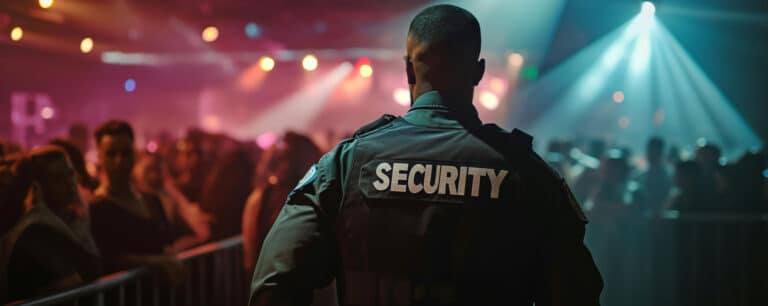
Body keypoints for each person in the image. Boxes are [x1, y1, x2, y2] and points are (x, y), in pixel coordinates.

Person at [249, 5, 602, 306]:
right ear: (478, 72)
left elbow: (274, 284)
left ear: (408, 70)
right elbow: (577, 293)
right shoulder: (528, 173)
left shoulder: (347, 164)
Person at [0, 147, 101, 303]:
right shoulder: (36, 231)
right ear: (37, 187)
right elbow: (74, 281)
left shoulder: (67, 220)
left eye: (70, 173)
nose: (70, 183)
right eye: (58, 178)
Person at [88, 120, 183, 283]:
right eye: (111, 154)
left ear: (134, 154)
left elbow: (168, 243)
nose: (119, 161)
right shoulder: (96, 207)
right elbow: (108, 257)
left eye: (126, 153)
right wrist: (156, 262)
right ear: (100, 157)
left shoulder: (151, 200)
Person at [242, 132, 321, 274]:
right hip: (314, 282)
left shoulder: (261, 198)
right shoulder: (322, 193)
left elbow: (251, 254)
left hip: (272, 279)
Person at [133, 153, 212, 251]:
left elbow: (197, 231)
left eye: (158, 170)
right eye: (149, 170)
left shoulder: (168, 194)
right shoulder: (135, 197)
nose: (154, 176)